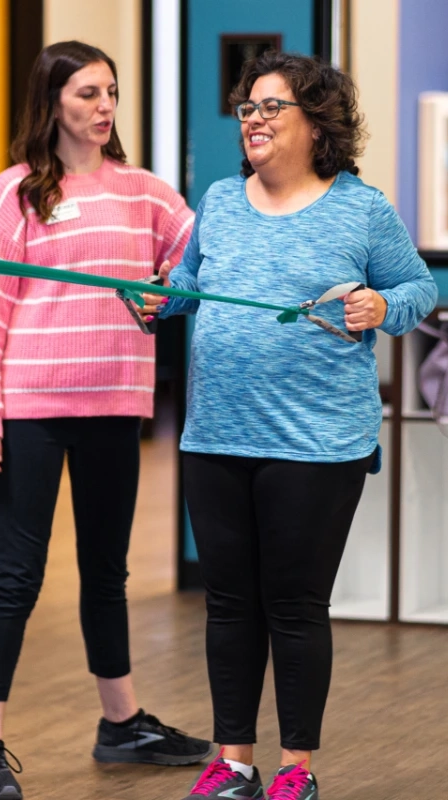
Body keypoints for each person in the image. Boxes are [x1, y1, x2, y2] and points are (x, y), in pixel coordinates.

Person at [140, 51, 437, 800]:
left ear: (318, 124)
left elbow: (417, 288)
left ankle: (297, 768)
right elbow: (191, 284)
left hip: (316, 443)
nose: (254, 119)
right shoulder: (219, 199)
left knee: (295, 606)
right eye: (248, 107)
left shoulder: (359, 208)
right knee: (229, 602)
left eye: (272, 107)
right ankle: (233, 760)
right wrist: (158, 300)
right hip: (216, 435)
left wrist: (382, 307)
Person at [0, 40, 212, 800]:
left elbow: (201, 260)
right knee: (16, 575)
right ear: (53, 104)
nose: (103, 109)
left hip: (114, 404)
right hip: (32, 407)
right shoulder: (16, 192)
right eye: (87, 96)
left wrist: (171, 293)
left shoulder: (145, 192)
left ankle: (121, 722)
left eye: (110, 94)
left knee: (108, 573)